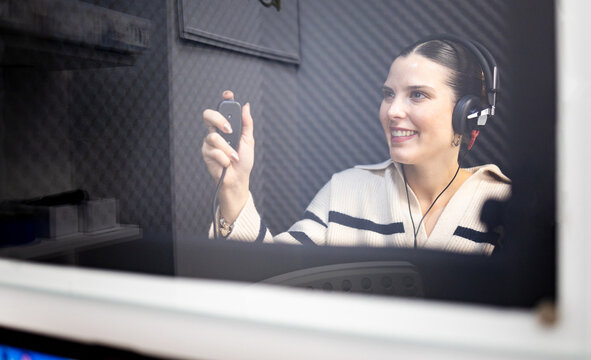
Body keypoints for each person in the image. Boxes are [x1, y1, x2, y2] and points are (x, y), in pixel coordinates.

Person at [201, 37, 510, 255]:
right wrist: (235, 189)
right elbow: (272, 279)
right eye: (389, 94)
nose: (392, 111)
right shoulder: (345, 191)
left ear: (467, 115)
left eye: (417, 95)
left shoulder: (506, 203)